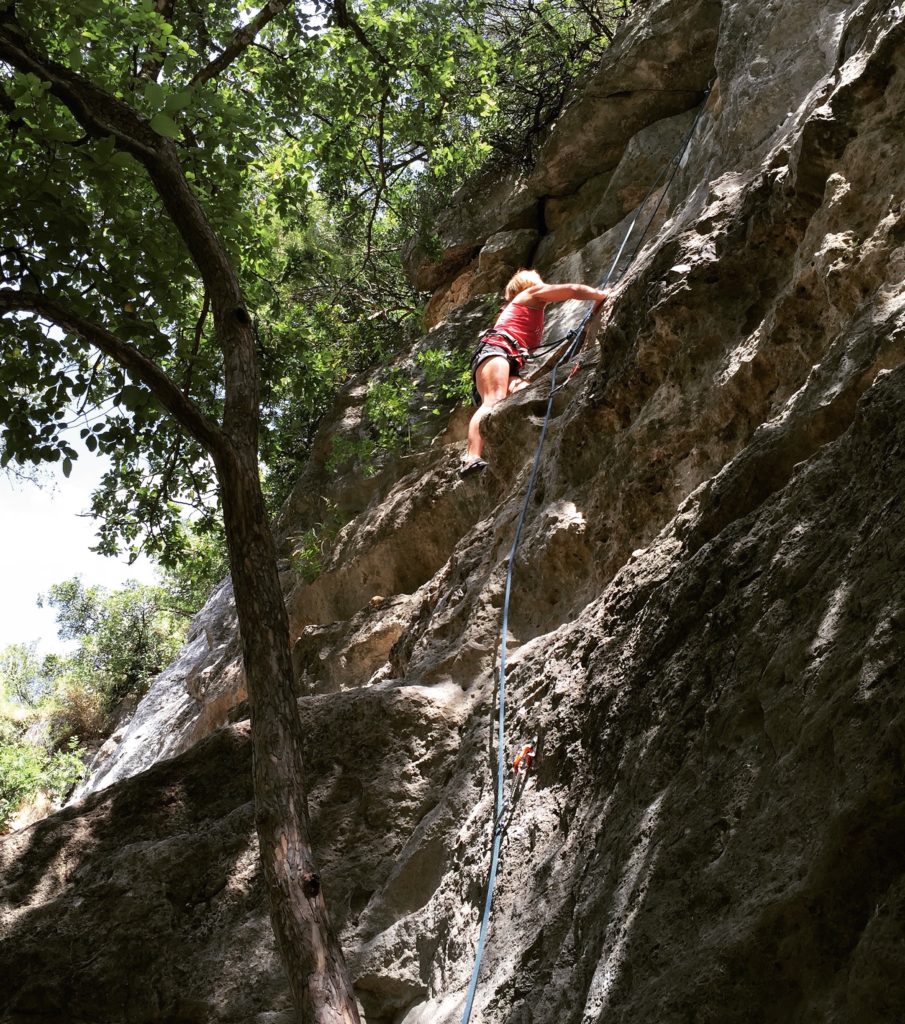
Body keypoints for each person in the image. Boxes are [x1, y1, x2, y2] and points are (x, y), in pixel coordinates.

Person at [460, 269, 609, 477]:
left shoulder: (528, 309)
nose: (543, 282)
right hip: (497, 352)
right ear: (529, 284)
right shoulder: (530, 294)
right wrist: (600, 295)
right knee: (493, 400)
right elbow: (572, 290)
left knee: (528, 394)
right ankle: (470, 457)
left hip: (506, 359)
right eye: (539, 279)